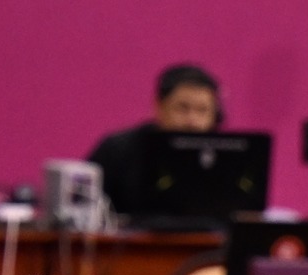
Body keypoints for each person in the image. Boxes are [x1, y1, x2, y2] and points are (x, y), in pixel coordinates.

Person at [88, 64, 223, 217]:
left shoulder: (225, 158)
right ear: (158, 106)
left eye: (202, 110)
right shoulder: (118, 149)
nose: (192, 121)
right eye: (182, 108)